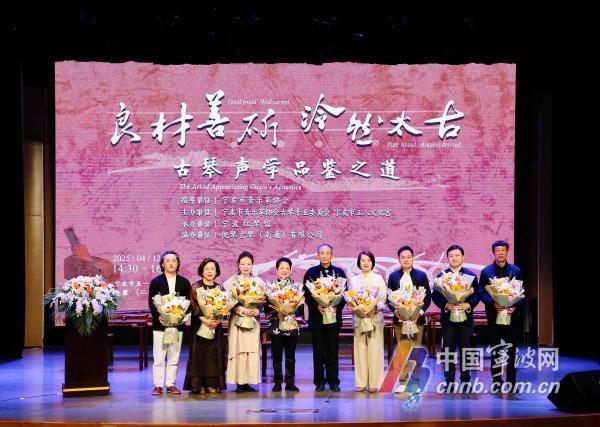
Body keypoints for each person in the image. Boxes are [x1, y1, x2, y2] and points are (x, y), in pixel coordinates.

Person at [477, 240, 524, 392]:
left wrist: (514, 306)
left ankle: (511, 381)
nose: (501, 253)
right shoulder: (486, 272)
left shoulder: (515, 271)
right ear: (493, 252)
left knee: (511, 350)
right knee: (496, 350)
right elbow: (481, 291)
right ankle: (496, 381)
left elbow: (521, 291)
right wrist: (492, 303)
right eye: (498, 250)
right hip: (494, 315)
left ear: (507, 251)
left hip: (512, 317)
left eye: (503, 250)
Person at [432, 245, 480, 385]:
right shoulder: (441, 277)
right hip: (448, 320)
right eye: (451, 255)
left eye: (457, 255)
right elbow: (435, 296)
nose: (454, 258)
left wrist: (468, 304)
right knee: (448, 350)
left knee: (466, 350)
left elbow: (477, 294)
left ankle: (465, 379)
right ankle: (449, 379)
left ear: (463, 257)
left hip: (466, 320)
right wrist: (445, 305)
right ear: (447, 258)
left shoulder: (471, 276)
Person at [387, 245, 432, 393]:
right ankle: (403, 382)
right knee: (402, 351)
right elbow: (389, 299)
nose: (406, 260)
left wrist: (420, 313)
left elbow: (427, 298)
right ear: (398, 259)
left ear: (412, 258)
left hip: (417, 320)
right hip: (400, 321)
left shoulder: (421, 276)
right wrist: (396, 312)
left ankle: (415, 382)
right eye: (403, 257)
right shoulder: (393, 277)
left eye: (408, 257)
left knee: (416, 351)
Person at [303, 243, 347, 392]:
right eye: (322, 253)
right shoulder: (311, 273)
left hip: (333, 319)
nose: (325, 255)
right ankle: (319, 382)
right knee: (318, 352)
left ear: (332, 255)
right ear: (318, 255)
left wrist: (336, 306)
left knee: (332, 352)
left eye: (327, 253)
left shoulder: (339, 273)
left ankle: (333, 381)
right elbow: (306, 294)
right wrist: (317, 306)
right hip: (317, 319)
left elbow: (344, 294)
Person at [148, 250, 191, 395]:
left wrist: (179, 317)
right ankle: (158, 385)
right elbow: (151, 303)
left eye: (174, 260)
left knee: (174, 356)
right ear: (162, 264)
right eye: (167, 260)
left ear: (178, 263)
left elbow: (188, 304)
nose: (171, 263)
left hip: (177, 326)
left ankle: (171, 384)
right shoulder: (156, 282)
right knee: (159, 356)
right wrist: (159, 317)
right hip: (160, 325)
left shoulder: (184, 282)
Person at [183, 258, 226, 394]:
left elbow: (224, 308)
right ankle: (197, 384)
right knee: (199, 355)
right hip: (199, 327)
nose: (209, 271)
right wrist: (205, 320)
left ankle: (211, 384)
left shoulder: (220, 289)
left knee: (213, 355)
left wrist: (217, 320)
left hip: (215, 327)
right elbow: (193, 308)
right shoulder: (195, 287)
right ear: (202, 271)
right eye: (206, 268)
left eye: (212, 268)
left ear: (217, 271)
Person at [224, 251, 264, 393]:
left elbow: (262, 302)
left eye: (249, 264)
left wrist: (256, 311)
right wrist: (242, 310)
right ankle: (239, 383)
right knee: (239, 350)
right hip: (237, 321)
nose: (246, 266)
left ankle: (248, 382)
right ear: (238, 265)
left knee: (251, 351)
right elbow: (229, 302)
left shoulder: (259, 282)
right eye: (243, 264)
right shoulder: (231, 282)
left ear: (252, 265)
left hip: (252, 321)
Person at [348, 250, 387, 392]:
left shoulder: (378, 279)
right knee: (360, 350)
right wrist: (357, 308)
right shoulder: (354, 280)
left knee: (375, 350)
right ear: (359, 263)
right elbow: (350, 299)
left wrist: (374, 308)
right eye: (363, 260)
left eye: (369, 260)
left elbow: (383, 298)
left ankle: (375, 383)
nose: (366, 263)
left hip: (374, 318)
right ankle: (361, 382)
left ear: (373, 263)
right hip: (359, 319)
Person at [265, 257, 304, 392]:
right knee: (276, 356)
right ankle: (277, 382)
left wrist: (292, 313)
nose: (284, 270)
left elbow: (300, 307)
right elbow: (267, 308)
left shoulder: (297, 287)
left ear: (291, 270)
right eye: (281, 268)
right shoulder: (271, 287)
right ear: (277, 270)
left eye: (287, 268)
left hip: (291, 325)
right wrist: (277, 314)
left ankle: (290, 382)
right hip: (276, 325)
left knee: (290, 356)